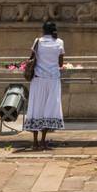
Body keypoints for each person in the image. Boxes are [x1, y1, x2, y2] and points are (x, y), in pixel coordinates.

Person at [24, 19, 65, 149]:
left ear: (43, 30)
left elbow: (31, 58)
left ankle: (35, 142)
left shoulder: (38, 42)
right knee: (49, 109)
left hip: (38, 79)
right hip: (53, 80)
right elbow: (60, 64)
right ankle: (43, 140)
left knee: (36, 108)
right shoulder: (59, 42)